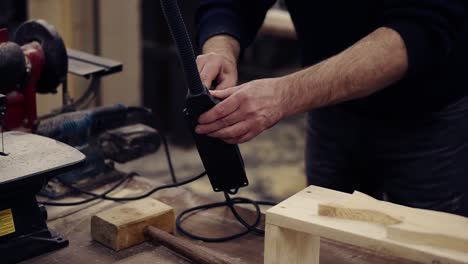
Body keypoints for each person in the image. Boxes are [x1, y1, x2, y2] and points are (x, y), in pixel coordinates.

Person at [194, 1, 468, 217]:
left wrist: (284, 94)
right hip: (330, 106)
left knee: (426, 246)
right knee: (327, 239)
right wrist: (220, 46)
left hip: (427, 118)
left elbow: (421, 27)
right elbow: (231, 3)